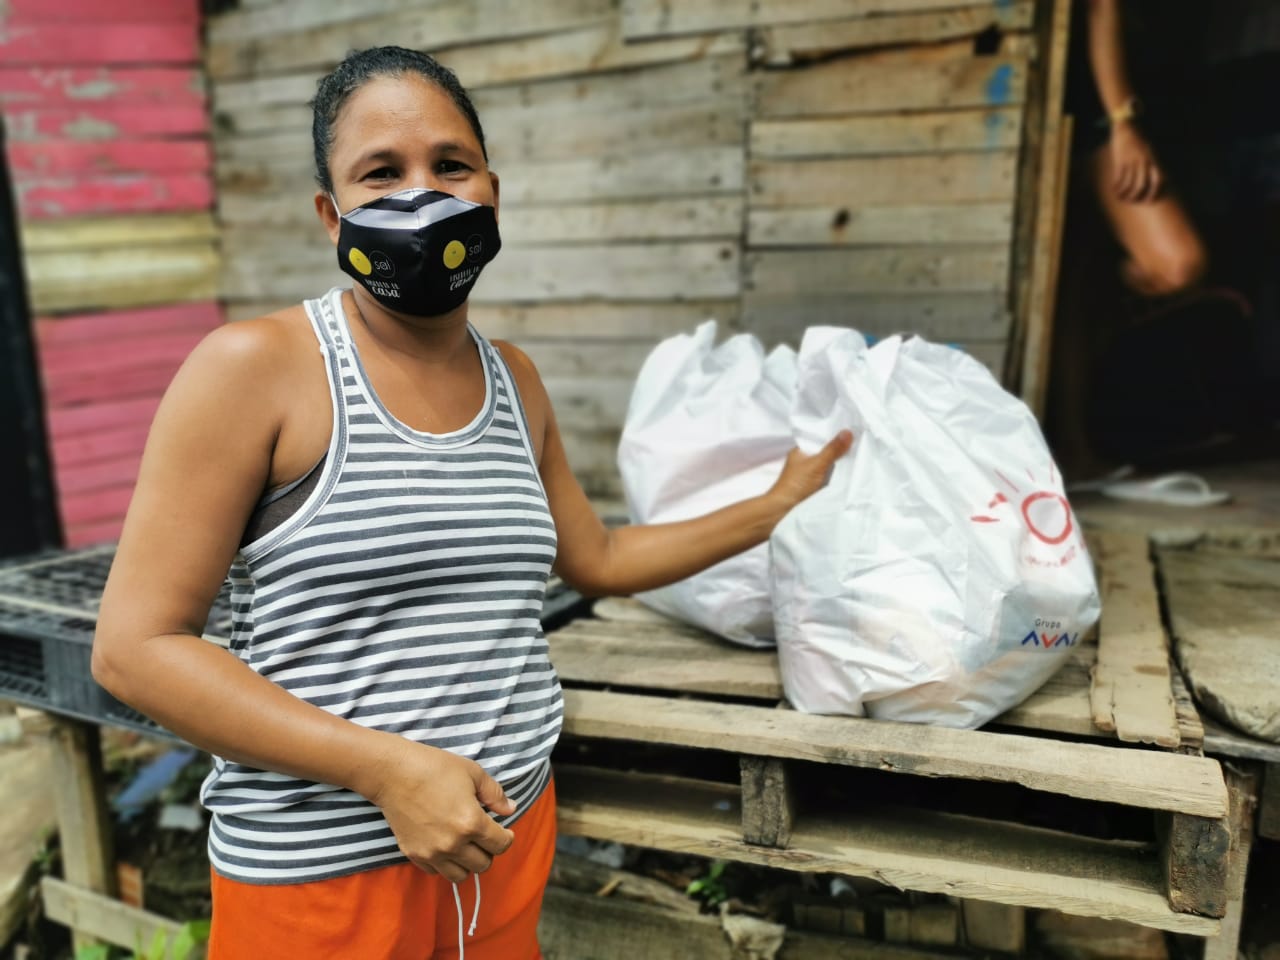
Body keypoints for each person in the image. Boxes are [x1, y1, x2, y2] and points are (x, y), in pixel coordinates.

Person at [91, 45, 852, 960]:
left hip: (506, 837)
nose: (424, 191)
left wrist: (777, 503)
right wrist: (387, 771)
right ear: (333, 215)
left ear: (493, 189)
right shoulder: (256, 371)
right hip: (321, 878)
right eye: (382, 172)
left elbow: (599, 560)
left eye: (450, 165)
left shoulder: (515, 381)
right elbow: (136, 651)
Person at [1074, 0, 1208, 297]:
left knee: (1181, 266)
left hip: (1114, 102)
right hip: (1086, 102)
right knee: (1180, 265)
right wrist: (1123, 123)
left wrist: (1125, 123)